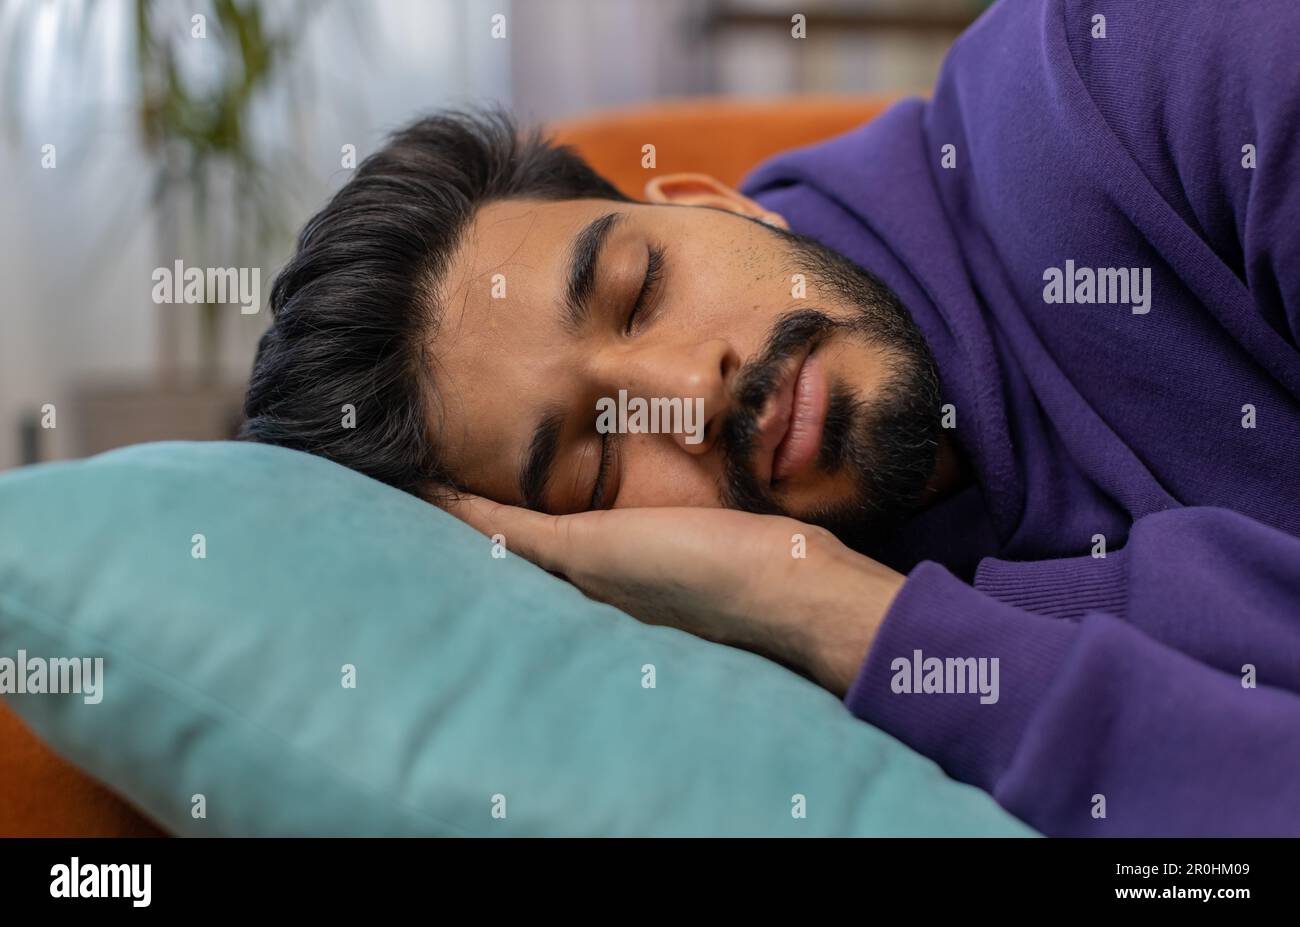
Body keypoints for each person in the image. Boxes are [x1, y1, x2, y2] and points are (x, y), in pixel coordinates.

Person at [242, 0, 1300, 835]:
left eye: (639, 287)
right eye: (596, 458)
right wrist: (833, 615)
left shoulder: (1141, 61)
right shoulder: (814, 655)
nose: (691, 388)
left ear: (712, 203)